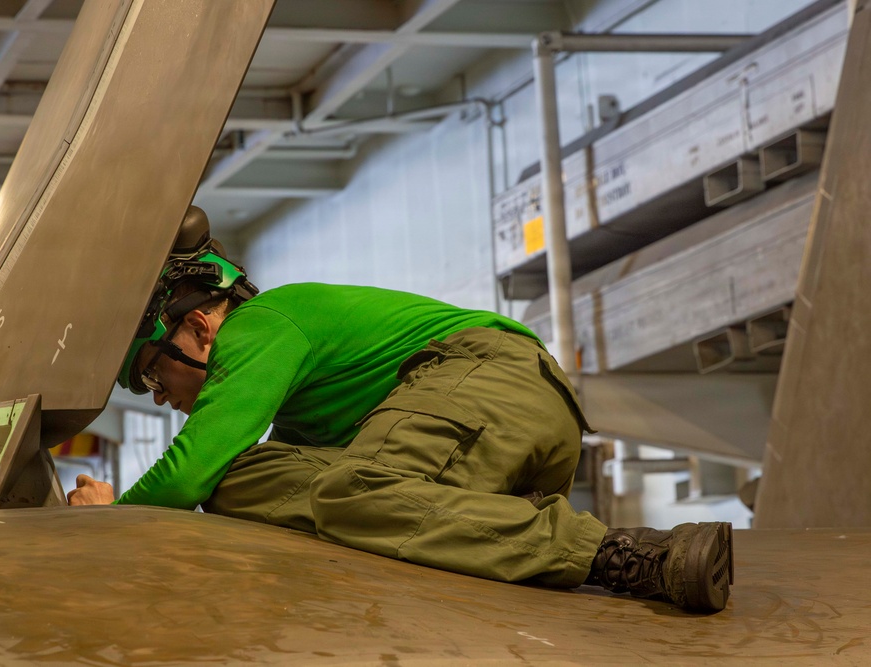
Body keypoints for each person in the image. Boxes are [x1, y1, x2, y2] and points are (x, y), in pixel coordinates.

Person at [68, 207, 734, 613]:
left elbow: (186, 475)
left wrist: (113, 520)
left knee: (346, 492)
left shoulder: (259, 327)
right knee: (244, 482)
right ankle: (515, 527)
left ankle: (627, 554)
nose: (163, 397)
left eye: (156, 374)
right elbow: (234, 479)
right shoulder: (300, 391)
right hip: (488, 427)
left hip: (491, 381)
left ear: (201, 330)